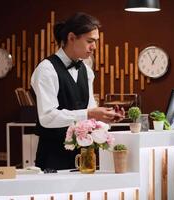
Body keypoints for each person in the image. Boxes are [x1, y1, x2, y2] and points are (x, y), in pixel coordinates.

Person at [31, 12, 125, 171]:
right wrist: (90, 113)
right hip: (53, 158)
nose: (94, 47)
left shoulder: (87, 71)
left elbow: (89, 111)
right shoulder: (46, 70)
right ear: (71, 37)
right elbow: (47, 117)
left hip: (84, 155)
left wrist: (104, 118)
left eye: (95, 41)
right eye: (90, 41)